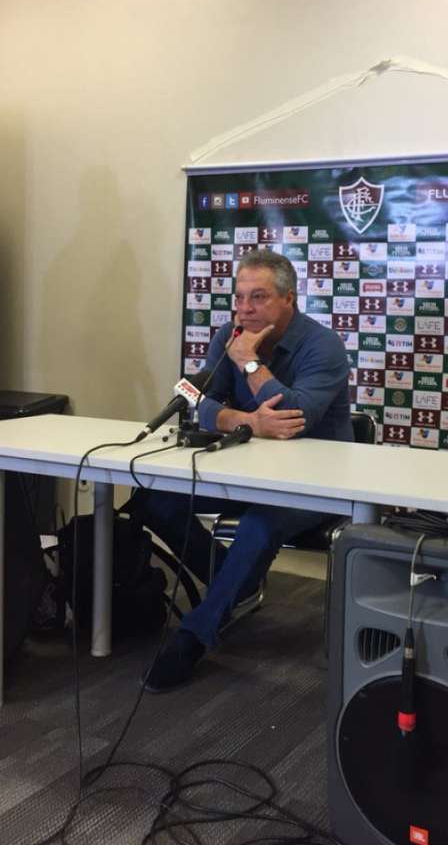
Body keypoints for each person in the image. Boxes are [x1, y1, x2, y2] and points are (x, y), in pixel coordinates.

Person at [136, 248, 352, 692]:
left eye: (259, 297)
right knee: (151, 498)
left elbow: (295, 419)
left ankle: (195, 637)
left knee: (259, 526)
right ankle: (235, 581)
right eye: (239, 298)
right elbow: (195, 398)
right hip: (246, 470)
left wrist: (249, 363)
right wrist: (248, 422)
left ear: (288, 299)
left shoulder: (323, 345)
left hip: (317, 480)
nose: (245, 309)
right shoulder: (227, 334)